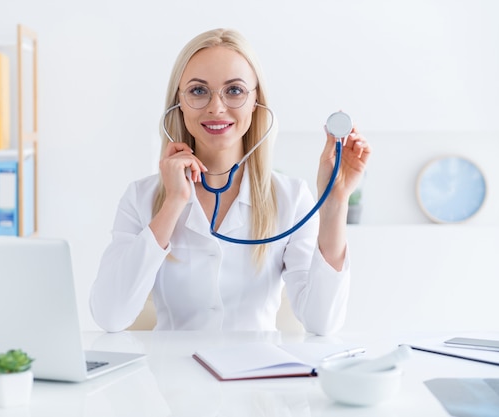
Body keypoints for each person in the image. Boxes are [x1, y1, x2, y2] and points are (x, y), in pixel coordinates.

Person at [90, 28, 371, 334]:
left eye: (234, 90)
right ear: (178, 103)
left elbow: (323, 323)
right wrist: (172, 204)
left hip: (258, 378)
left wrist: (334, 203)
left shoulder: (291, 198)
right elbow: (109, 315)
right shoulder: (141, 197)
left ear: (256, 101)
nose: (216, 107)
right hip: (171, 378)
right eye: (198, 91)